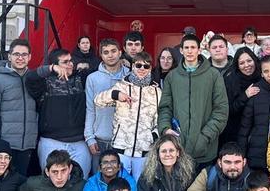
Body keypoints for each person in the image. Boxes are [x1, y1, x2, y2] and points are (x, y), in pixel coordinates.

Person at [157, 34, 228, 168]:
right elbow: (165, 108)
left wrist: (205, 137)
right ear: (181, 51)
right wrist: (166, 129)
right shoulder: (172, 77)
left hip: (205, 151)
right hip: (178, 150)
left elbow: (221, 110)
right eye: (186, 48)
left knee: (201, 189)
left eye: (193, 47)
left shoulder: (213, 75)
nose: (190, 51)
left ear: (199, 50)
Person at [93, 51, 160, 179]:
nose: (142, 69)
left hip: (144, 151)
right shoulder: (121, 86)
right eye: (138, 65)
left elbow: (159, 118)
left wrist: (153, 135)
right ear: (133, 66)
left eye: (146, 66)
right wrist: (116, 95)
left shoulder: (157, 92)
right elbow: (98, 101)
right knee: (119, 186)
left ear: (150, 68)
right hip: (121, 148)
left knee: (140, 188)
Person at [0, 39, 40, 177]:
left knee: (23, 188)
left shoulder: (33, 78)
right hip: (5, 146)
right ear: (9, 56)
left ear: (30, 57)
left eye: (24, 55)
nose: (20, 58)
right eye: (16, 54)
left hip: (29, 145)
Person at [27, 48, 91, 176]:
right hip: (51, 141)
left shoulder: (80, 79)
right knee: (51, 181)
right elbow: (30, 78)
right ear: (55, 65)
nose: (70, 64)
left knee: (81, 181)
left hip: (79, 141)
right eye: (65, 62)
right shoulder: (45, 82)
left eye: (71, 61)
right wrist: (50, 68)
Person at [85, 39, 132, 163]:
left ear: (120, 52)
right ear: (101, 55)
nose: (110, 55)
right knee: (100, 179)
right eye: (106, 52)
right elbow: (90, 109)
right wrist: (89, 137)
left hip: (125, 140)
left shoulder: (131, 76)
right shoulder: (92, 78)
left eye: (113, 51)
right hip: (100, 139)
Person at [220, 48, 260, 149]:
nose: (246, 65)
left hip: (259, 131)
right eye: (242, 63)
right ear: (237, 66)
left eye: (249, 61)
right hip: (235, 132)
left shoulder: (262, 75)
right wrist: (245, 95)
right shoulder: (231, 80)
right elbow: (229, 109)